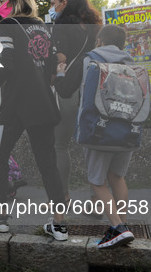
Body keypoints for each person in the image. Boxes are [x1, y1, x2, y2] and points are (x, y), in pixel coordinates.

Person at [0, 0, 68, 240]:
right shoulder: (43, 27)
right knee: (48, 163)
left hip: (16, 103)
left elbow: (7, 63)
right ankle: (59, 224)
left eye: (3, 1)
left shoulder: (8, 26)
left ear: (15, 2)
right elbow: (50, 67)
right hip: (43, 103)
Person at [55, 25, 137, 248]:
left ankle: (117, 228)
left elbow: (64, 91)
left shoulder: (88, 59)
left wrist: (61, 72)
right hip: (127, 129)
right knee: (117, 177)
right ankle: (124, 226)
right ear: (122, 44)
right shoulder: (131, 62)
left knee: (97, 182)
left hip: (98, 130)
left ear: (99, 40)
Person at [50, 0, 101, 201]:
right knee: (93, 147)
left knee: (60, 145)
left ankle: (63, 197)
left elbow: (60, 59)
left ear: (65, 3)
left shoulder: (62, 25)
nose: (52, 7)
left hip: (69, 89)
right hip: (92, 89)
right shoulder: (95, 26)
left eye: (54, 3)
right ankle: (99, 200)